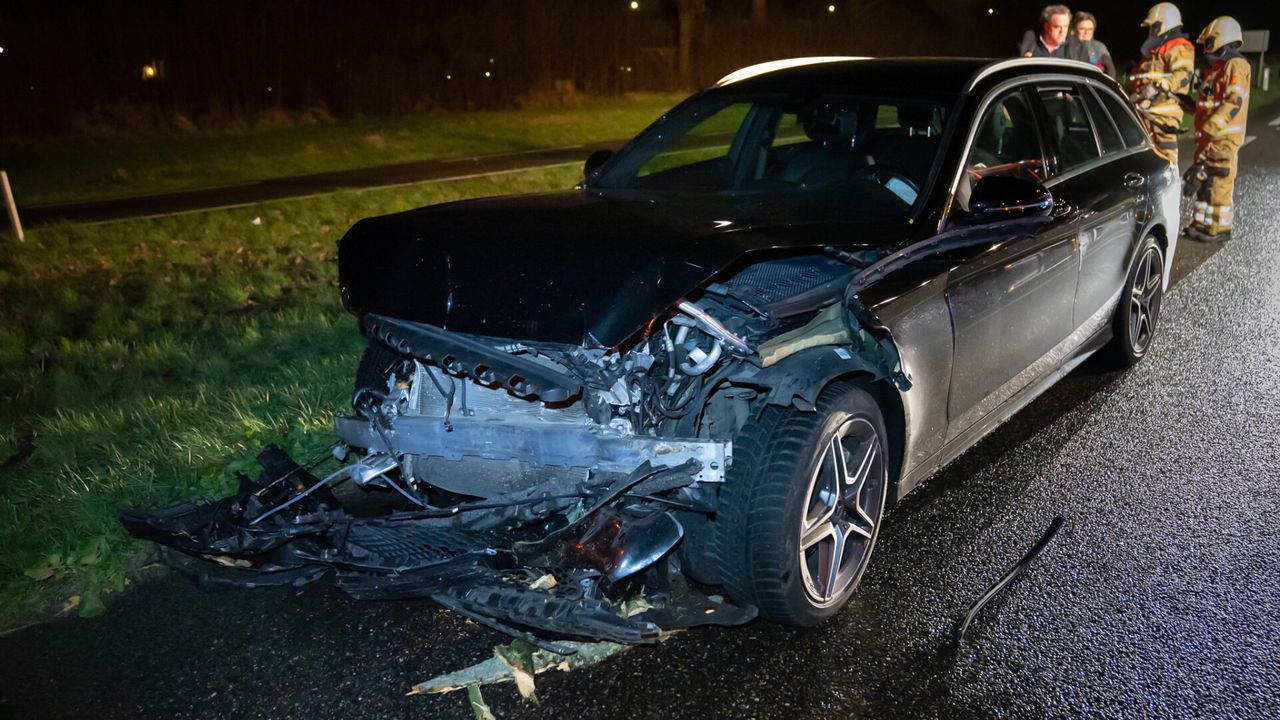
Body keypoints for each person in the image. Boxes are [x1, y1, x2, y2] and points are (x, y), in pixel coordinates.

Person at [1186, 16, 1250, 242]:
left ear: (1224, 41)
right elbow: (1205, 104)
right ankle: (1200, 224)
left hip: (1223, 139)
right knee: (1204, 184)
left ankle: (1219, 229)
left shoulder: (1236, 65)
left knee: (1218, 184)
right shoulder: (1215, 69)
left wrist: (1209, 127)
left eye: (1209, 43)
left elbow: (1234, 101)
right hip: (1208, 138)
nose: (1206, 49)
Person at [1129, 3, 1195, 164]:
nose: (1150, 31)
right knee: (1146, 161)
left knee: (1166, 162)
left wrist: (1162, 85)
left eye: (1152, 27)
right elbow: (1143, 77)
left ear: (1162, 25)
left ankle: (1170, 188)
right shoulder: (1153, 51)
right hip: (1144, 113)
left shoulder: (1178, 47)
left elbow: (1184, 73)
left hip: (1164, 116)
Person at [1066, 11, 1116, 76]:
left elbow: (1111, 72)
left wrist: (1094, 62)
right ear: (1074, 29)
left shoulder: (1099, 47)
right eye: (1082, 29)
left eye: (1090, 29)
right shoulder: (1066, 45)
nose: (1086, 32)